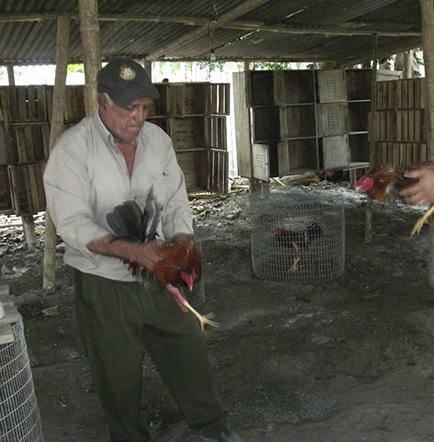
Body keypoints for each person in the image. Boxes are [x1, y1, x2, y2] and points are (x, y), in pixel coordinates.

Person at [43, 58, 242, 442]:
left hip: (156, 272)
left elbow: (175, 199)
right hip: (104, 283)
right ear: (102, 103)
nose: (138, 117)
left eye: (144, 107)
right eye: (128, 107)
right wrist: (135, 253)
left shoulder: (158, 142)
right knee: (117, 371)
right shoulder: (72, 150)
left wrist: (182, 241)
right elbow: (72, 223)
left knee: (187, 341)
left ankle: (212, 430)